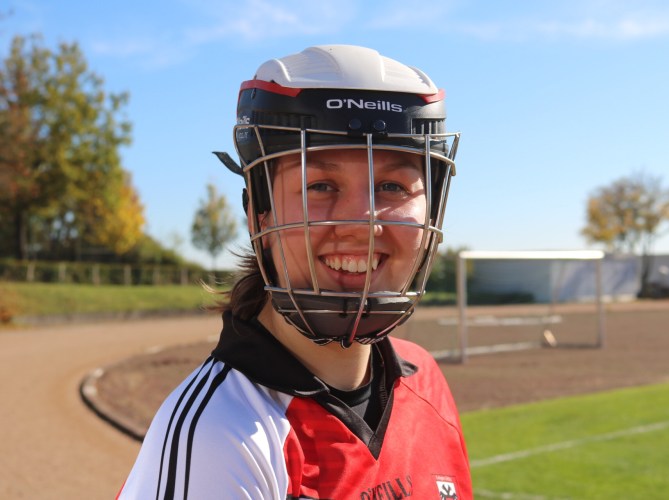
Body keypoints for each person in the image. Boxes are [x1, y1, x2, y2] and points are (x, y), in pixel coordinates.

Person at [118, 44, 471, 499]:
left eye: (392, 186)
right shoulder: (222, 433)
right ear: (259, 214)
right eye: (320, 186)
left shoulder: (425, 379)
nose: (361, 224)